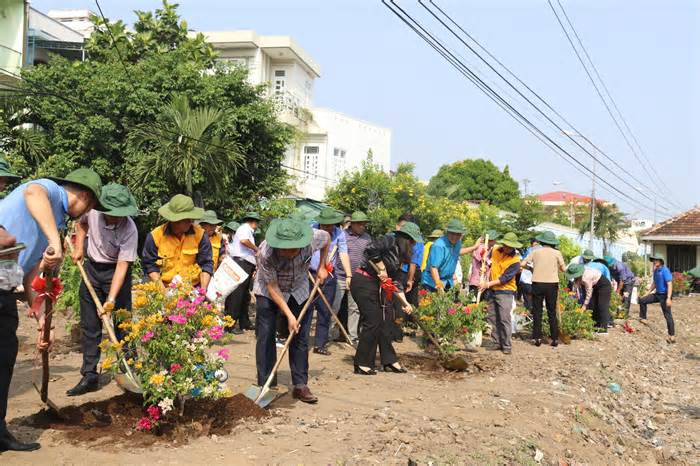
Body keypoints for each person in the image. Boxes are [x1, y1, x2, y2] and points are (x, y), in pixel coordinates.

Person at [0, 167, 103, 452]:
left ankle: (0, 432)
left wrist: (41, 319)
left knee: (4, 358)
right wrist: (57, 243)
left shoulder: (54, 221)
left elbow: (30, 273)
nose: (86, 214)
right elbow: (33, 193)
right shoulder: (48, 189)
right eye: (90, 206)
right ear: (83, 196)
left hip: (6, 281)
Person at [67, 183, 139, 396]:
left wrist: (111, 300)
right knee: (90, 326)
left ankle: (130, 368)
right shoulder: (92, 213)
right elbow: (81, 225)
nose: (115, 217)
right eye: (111, 213)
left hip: (116, 274)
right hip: (91, 269)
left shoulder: (130, 229)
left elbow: (123, 266)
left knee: (122, 324)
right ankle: (89, 375)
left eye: (119, 214)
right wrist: (80, 248)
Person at [253, 217, 330, 403]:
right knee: (266, 336)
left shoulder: (313, 238)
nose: (289, 253)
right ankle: (266, 384)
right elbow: (272, 287)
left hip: (299, 289)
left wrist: (322, 266)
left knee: (300, 337)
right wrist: (289, 315)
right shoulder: (265, 253)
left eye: (293, 249)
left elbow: (327, 238)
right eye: (284, 249)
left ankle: (300, 385)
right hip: (268, 292)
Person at [352, 222, 421, 375]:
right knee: (373, 322)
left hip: (377, 287)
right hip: (363, 282)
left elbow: (395, 282)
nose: (413, 245)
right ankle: (362, 363)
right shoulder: (389, 240)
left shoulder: (399, 256)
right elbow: (371, 249)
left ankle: (389, 361)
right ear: (405, 238)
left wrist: (405, 303)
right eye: (412, 241)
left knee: (386, 322)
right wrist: (381, 267)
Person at [141, 194, 213, 288]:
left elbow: (206, 264)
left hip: (192, 288)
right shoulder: (155, 236)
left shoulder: (201, 235)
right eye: (186, 219)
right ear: (175, 220)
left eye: (191, 218)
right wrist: (163, 292)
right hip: (163, 287)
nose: (190, 221)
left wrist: (202, 291)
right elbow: (149, 265)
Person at [308, 208, 352, 355]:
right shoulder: (310, 230)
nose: (328, 228)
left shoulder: (339, 233)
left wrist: (349, 275)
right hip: (309, 275)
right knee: (305, 309)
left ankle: (320, 344)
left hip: (328, 276)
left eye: (330, 225)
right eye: (325, 225)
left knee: (325, 310)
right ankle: (300, 341)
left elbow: (343, 253)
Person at [479, 232, 522, 354]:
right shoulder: (496, 249)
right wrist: (485, 265)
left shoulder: (515, 261)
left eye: (509, 246)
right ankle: (496, 342)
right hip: (492, 290)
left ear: (513, 246)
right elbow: (488, 259)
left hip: (506, 291)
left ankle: (506, 345)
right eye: (505, 245)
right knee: (492, 317)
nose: (507, 248)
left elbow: (504, 279)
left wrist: (487, 284)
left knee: (504, 318)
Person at [521, 231, 565, 347]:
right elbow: (564, 268)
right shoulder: (557, 253)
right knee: (551, 311)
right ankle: (554, 339)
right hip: (552, 284)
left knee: (537, 311)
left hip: (537, 283)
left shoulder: (535, 252)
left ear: (542, 241)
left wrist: (531, 269)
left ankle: (537, 338)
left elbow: (523, 263)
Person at [334, 211, 371, 346]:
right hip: (340, 276)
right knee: (335, 306)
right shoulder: (342, 235)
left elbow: (370, 256)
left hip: (357, 278)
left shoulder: (367, 238)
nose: (363, 226)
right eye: (360, 224)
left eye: (364, 224)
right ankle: (328, 335)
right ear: (353, 224)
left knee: (354, 308)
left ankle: (353, 336)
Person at [422, 219, 481, 293]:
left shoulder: (457, 243)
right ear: (447, 232)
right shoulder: (439, 246)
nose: (455, 236)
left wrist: (474, 247)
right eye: (452, 233)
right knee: (434, 303)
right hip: (432, 282)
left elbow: (457, 252)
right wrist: (439, 285)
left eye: (458, 234)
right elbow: (433, 268)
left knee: (453, 302)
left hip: (447, 281)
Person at [225, 212, 260, 333]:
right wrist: (256, 249)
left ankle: (244, 321)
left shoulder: (247, 230)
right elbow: (244, 241)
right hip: (242, 263)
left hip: (247, 263)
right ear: (253, 222)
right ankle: (231, 324)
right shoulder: (245, 228)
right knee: (237, 294)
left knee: (244, 294)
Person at [639, 254, 675, 343]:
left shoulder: (665, 271)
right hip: (657, 294)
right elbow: (655, 283)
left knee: (667, 315)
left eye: (656, 260)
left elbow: (670, 284)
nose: (654, 262)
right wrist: (647, 293)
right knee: (642, 300)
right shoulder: (655, 271)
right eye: (653, 260)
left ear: (661, 261)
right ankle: (643, 318)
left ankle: (672, 336)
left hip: (665, 295)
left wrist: (669, 298)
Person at [565, 263, 612, 333]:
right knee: (592, 305)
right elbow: (575, 286)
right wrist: (573, 295)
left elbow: (589, 293)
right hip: (595, 285)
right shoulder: (578, 276)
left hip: (603, 285)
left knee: (602, 305)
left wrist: (584, 305)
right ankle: (594, 326)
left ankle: (603, 329)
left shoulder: (586, 278)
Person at [469, 230, 500, 294]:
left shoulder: (491, 250)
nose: (496, 241)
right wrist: (490, 262)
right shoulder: (481, 248)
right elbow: (483, 259)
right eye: (495, 240)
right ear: (491, 240)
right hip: (477, 282)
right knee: (473, 302)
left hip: (485, 282)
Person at [518, 238, 541, 312]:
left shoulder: (530, 250)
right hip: (527, 280)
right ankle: (530, 319)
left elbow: (522, 263)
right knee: (530, 303)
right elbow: (522, 263)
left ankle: (530, 319)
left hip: (533, 281)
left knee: (531, 303)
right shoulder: (530, 250)